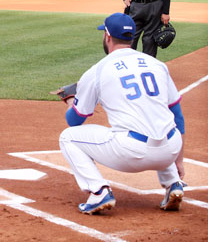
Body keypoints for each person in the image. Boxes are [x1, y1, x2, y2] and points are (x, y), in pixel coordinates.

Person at [59, 12, 186, 215]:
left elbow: (75, 121)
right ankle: (173, 183)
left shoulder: (97, 71)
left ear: (107, 37)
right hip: (170, 148)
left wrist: (69, 101)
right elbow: (177, 116)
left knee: (68, 138)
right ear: (132, 37)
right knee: (156, 117)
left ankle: (99, 191)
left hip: (132, 153)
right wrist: (178, 159)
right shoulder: (157, 65)